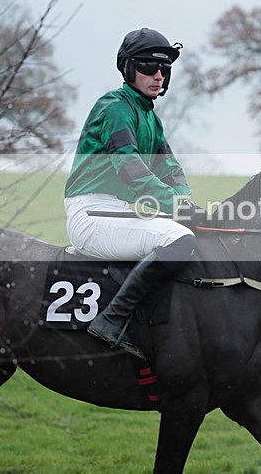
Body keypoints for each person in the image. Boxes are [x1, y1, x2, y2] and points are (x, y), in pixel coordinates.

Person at [64, 27, 204, 358]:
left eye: (164, 69)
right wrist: (176, 206)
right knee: (178, 239)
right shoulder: (114, 107)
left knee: (189, 231)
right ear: (128, 69)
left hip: (119, 211)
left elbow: (170, 170)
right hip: (92, 213)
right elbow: (131, 169)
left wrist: (184, 201)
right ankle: (112, 320)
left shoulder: (150, 119)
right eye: (148, 68)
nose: (158, 76)